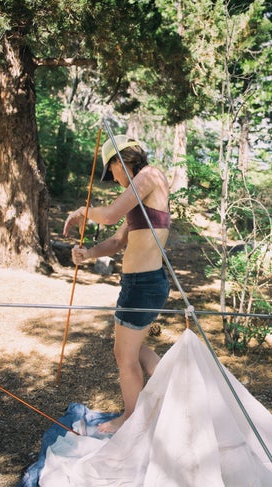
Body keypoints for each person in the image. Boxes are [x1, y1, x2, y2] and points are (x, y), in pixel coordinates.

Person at [62, 135, 171, 434]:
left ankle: (132, 420)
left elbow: (108, 216)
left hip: (144, 283)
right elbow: (116, 240)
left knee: (124, 355)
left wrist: (82, 211)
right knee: (130, 352)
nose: (111, 176)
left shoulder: (150, 175)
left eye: (111, 169)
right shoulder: (140, 198)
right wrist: (88, 254)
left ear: (121, 160)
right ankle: (175, 392)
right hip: (139, 283)